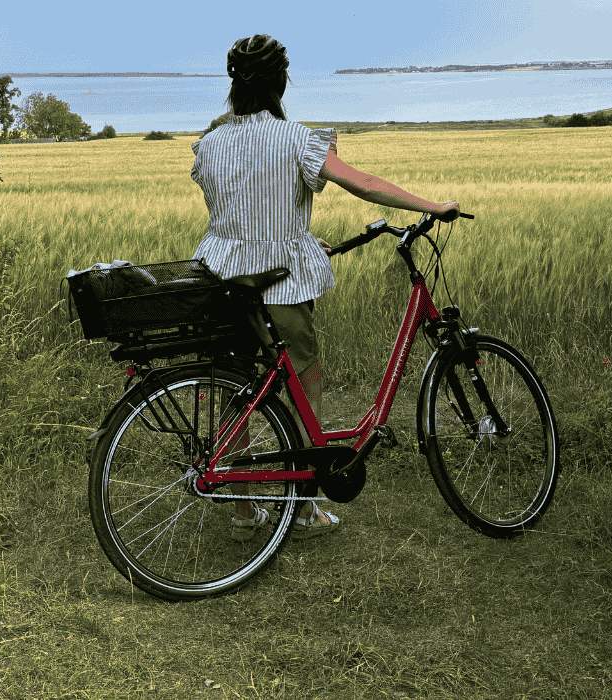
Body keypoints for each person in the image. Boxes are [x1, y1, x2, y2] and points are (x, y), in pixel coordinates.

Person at [191, 34, 459, 540]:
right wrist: (430, 205)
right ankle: (306, 509)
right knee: (303, 383)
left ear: (233, 84)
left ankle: (245, 509)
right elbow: (363, 182)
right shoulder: (296, 138)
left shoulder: (210, 143)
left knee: (237, 388)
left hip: (222, 277)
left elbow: (233, 204)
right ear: (281, 83)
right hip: (279, 283)